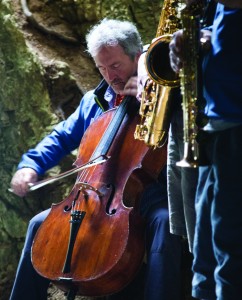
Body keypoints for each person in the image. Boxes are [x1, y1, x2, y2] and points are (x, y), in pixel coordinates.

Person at [10, 19, 184, 300]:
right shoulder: (95, 99)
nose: (109, 76)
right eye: (101, 68)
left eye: (115, 66)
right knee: (38, 224)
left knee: (166, 222)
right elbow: (62, 136)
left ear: (137, 57)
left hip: (149, 191)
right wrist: (31, 165)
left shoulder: (159, 93)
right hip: (96, 196)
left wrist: (150, 94)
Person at [170, 1, 242, 299]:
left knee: (230, 256)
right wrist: (201, 37)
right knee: (204, 255)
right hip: (216, 129)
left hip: (236, 129)